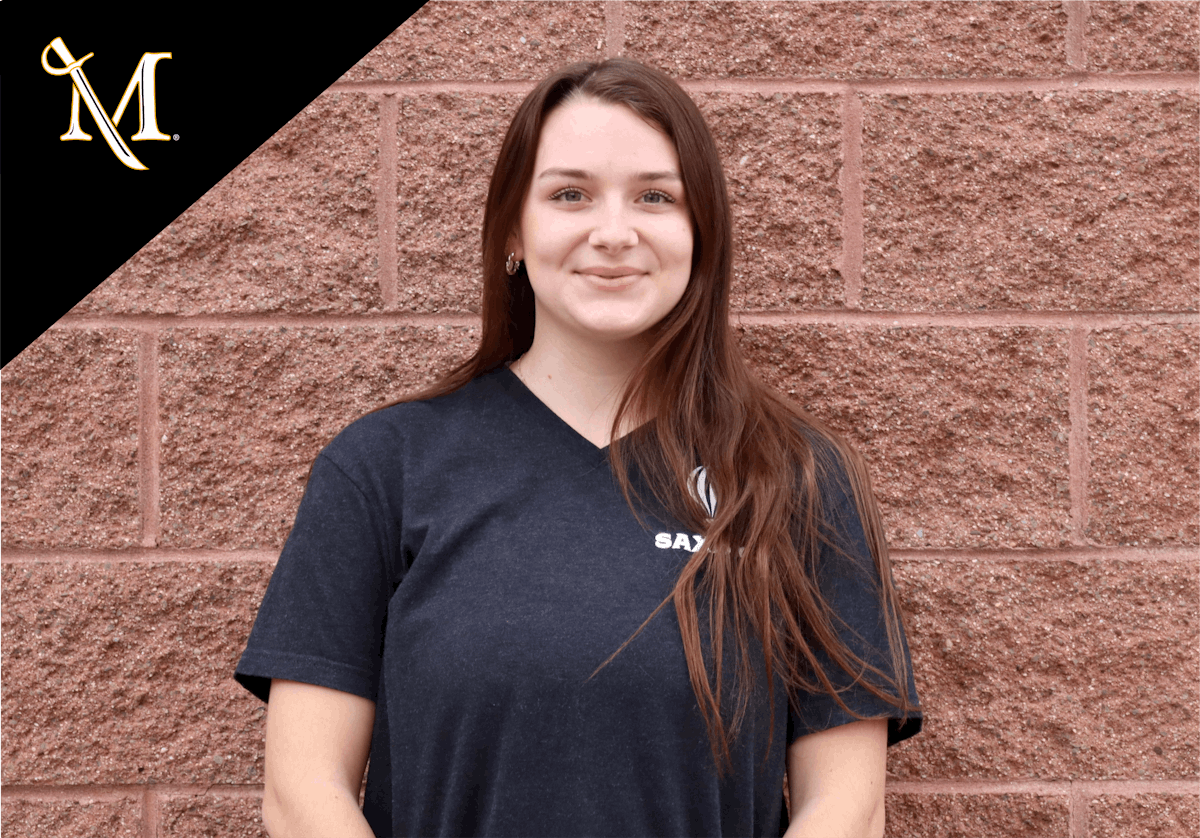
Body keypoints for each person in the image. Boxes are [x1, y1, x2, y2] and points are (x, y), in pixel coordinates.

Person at [235, 57, 921, 838]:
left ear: (702, 235)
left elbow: (848, 807)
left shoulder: (792, 477)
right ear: (512, 234)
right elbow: (302, 793)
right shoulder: (382, 467)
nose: (614, 233)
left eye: (656, 197)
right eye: (569, 195)